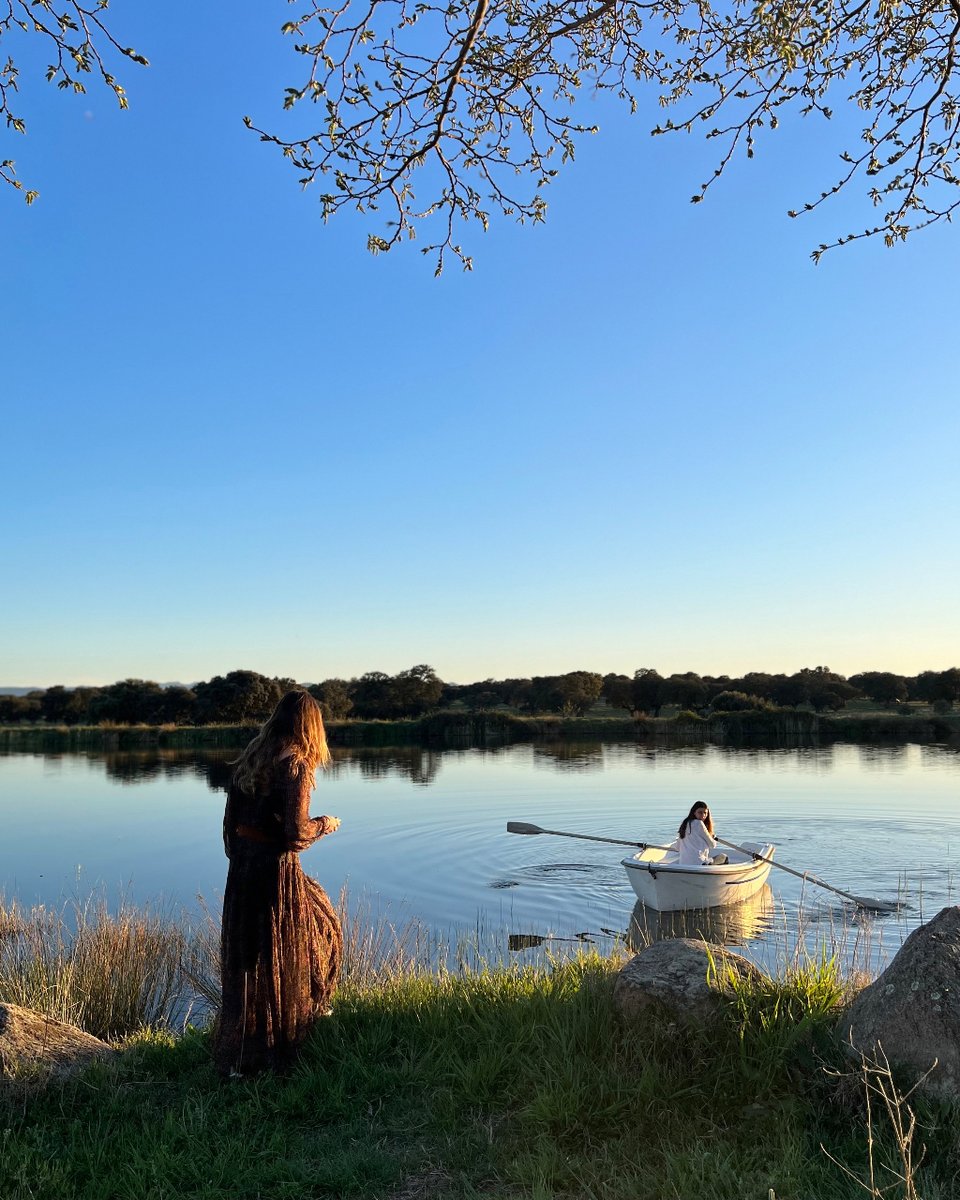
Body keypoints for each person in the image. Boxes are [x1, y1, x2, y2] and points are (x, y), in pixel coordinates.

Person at [213, 689, 343, 1076]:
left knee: (249, 959)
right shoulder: (297, 764)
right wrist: (326, 824)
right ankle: (280, 1044)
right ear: (311, 726)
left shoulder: (252, 756)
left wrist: (243, 861)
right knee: (314, 936)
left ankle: (241, 1055)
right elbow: (295, 833)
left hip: (242, 870)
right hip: (274, 872)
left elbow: (229, 827)